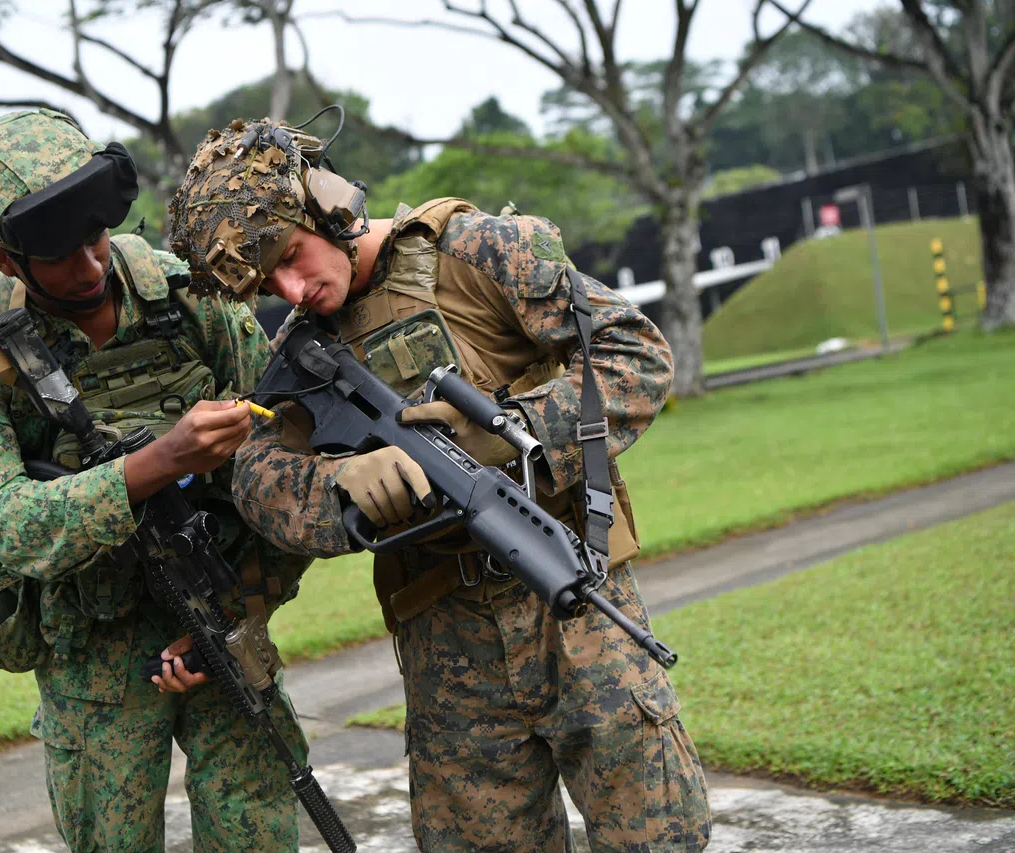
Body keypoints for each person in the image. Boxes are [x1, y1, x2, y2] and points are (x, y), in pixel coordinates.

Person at [167, 115, 711, 853]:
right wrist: (341, 484)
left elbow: (636, 357)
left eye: (293, 255)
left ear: (324, 202)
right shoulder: (302, 355)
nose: (295, 288)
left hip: (576, 603)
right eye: (269, 281)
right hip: (444, 646)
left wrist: (506, 432)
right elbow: (259, 479)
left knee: (662, 839)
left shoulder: (480, 250)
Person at [0, 108, 310, 853]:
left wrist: (243, 610)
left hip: (216, 609)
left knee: (258, 826)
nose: (90, 264)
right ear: (5, 260)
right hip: (93, 657)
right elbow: (5, 518)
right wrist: (156, 463)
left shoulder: (187, 296)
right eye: (58, 252)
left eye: (95, 234)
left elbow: (289, 470)